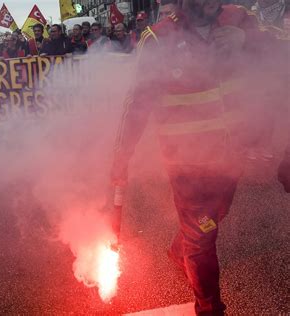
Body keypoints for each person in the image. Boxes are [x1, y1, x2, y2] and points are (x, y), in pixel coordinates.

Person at [111, 0, 278, 314]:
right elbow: (137, 103)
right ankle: (209, 307)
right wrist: (123, 156)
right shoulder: (159, 38)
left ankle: (180, 249)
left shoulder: (241, 20)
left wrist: (247, 42)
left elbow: (279, 54)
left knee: (214, 218)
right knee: (202, 236)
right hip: (187, 165)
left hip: (232, 157)